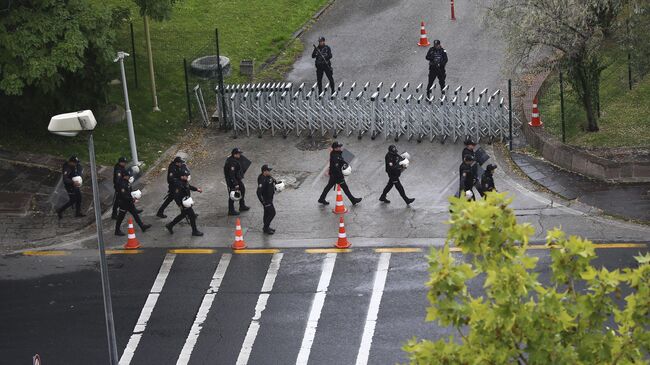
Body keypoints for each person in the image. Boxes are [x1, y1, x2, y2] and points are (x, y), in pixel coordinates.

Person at [165, 169, 203, 236]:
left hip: (186, 201)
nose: (188, 176)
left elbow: (189, 186)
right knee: (192, 216)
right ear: (182, 176)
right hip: (184, 204)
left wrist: (197, 189)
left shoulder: (184, 181)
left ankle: (170, 225)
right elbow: (176, 196)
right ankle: (194, 231)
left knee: (183, 215)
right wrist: (180, 206)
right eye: (186, 175)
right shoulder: (178, 185)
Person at [114, 170, 151, 236]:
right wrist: (133, 200)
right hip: (123, 203)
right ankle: (117, 230)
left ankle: (142, 226)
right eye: (128, 176)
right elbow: (124, 196)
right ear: (125, 176)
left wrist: (133, 195)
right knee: (120, 217)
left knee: (135, 214)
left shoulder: (126, 182)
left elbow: (129, 192)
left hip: (129, 202)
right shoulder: (122, 184)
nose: (129, 177)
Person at [224, 148, 250, 216]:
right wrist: (235, 184)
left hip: (236, 178)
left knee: (242, 189)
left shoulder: (233, 159)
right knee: (232, 195)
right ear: (234, 154)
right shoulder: (232, 163)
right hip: (232, 180)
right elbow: (231, 175)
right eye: (239, 154)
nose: (240, 155)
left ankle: (242, 205)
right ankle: (231, 210)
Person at [257, 164, 277, 235]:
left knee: (266, 213)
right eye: (269, 171)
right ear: (264, 171)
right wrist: (263, 202)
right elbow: (258, 192)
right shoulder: (262, 179)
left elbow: (272, 180)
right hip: (266, 200)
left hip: (270, 198)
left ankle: (267, 227)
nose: (270, 172)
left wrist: (276, 182)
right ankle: (265, 228)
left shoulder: (268, 176)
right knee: (272, 213)